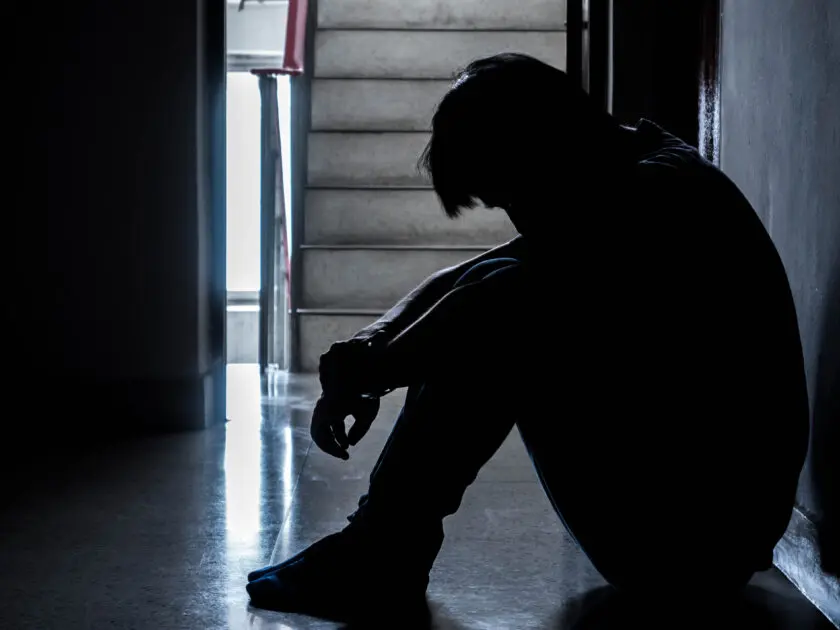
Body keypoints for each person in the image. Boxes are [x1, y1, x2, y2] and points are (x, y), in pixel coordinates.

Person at [245, 53, 809, 623]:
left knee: (504, 306)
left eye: (511, 196)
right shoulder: (631, 169)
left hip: (695, 546)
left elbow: (488, 299)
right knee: (500, 285)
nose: (515, 217)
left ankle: (381, 549)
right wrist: (372, 341)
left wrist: (370, 377)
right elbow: (469, 272)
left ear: (543, 145)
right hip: (683, 512)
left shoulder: (655, 195)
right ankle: (383, 545)